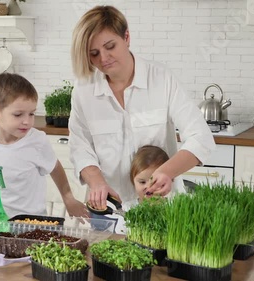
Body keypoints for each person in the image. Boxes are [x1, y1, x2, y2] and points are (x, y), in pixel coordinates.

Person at [69, 5, 216, 211]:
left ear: (126, 37)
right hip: (111, 209)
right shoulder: (84, 89)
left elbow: (201, 138)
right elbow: (80, 146)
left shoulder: (161, 79)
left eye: (110, 46)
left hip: (162, 208)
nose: (103, 59)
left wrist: (167, 172)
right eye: (94, 53)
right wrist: (96, 182)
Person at [0, 73, 87, 219]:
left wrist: (68, 198)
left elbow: (55, 167)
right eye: (18, 115)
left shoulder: (37, 141)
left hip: (33, 224)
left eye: (31, 114)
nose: (27, 121)